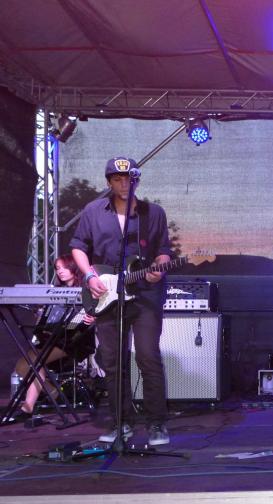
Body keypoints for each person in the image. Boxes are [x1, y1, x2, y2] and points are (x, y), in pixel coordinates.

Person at [70, 156, 172, 446]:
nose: (124, 184)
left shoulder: (154, 213)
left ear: (136, 180)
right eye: (117, 179)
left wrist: (158, 269)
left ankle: (156, 424)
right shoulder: (93, 211)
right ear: (109, 182)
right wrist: (90, 275)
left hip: (145, 294)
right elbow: (78, 246)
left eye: (129, 179)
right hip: (107, 293)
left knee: (148, 356)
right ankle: (121, 422)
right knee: (114, 361)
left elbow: (163, 251)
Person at [14, 255, 96, 414]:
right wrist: (41, 319)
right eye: (58, 268)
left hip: (74, 342)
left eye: (64, 267)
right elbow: (46, 320)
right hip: (52, 340)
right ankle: (53, 393)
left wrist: (88, 319)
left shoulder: (86, 289)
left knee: (33, 361)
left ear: (73, 268)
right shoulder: (54, 291)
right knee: (22, 366)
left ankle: (28, 407)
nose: (60, 271)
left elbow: (77, 325)